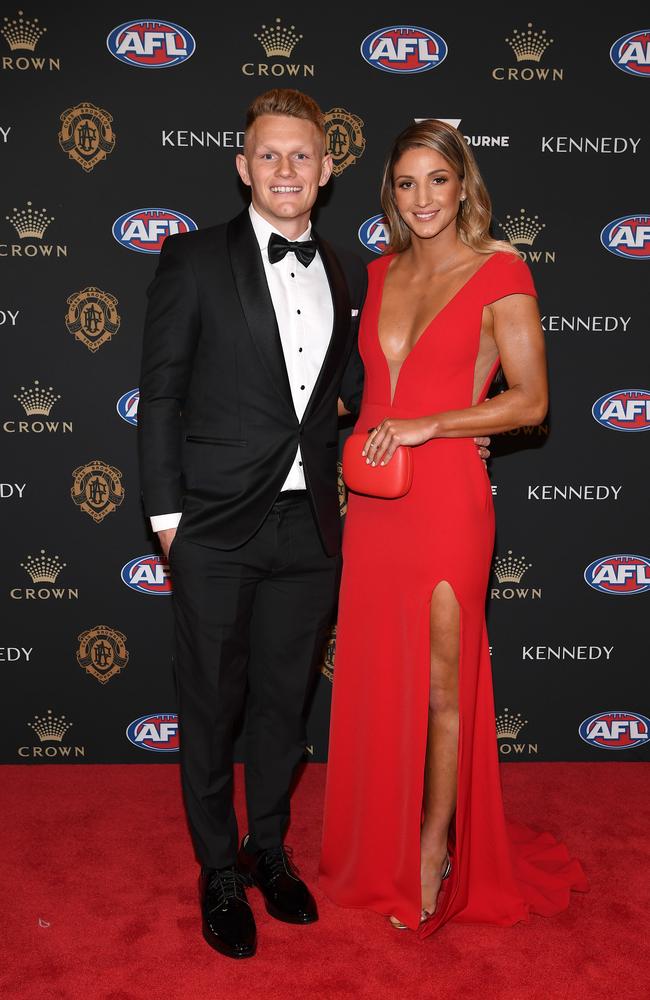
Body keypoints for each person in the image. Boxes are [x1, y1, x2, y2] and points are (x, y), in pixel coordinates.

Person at [319, 119, 589, 935]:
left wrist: (430, 424)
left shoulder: (500, 269)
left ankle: (436, 847)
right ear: (389, 195)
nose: (423, 198)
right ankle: (380, 839)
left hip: (446, 498)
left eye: (438, 180)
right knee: (373, 672)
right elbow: (356, 393)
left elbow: (530, 400)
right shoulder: (375, 273)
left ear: (464, 184)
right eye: (406, 183)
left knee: (444, 686)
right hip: (371, 504)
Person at [137, 88, 368, 960]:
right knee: (211, 704)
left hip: (309, 528)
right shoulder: (192, 258)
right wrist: (166, 518)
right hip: (215, 526)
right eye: (267, 155)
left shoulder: (343, 270)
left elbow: (342, 395)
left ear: (326, 168)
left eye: (301, 155)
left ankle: (266, 848)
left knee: (283, 704)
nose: (285, 170)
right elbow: (160, 394)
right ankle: (216, 869)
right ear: (242, 167)